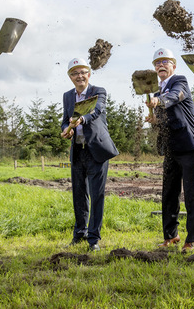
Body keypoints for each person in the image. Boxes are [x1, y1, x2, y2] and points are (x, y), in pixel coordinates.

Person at [145, 48, 194, 252]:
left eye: (165, 61)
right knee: (169, 191)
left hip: (187, 145)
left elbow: (176, 97)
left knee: (190, 192)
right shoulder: (156, 91)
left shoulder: (180, 81)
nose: (161, 65)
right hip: (170, 147)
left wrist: (160, 101)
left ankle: (192, 238)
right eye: (158, 62)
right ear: (154, 68)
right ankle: (171, 235)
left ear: (173, 66)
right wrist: (154, 120)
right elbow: (164, 120)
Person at [61, 57, 119, 252]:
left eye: (83, 72)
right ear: (70, 77)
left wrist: (82, 119)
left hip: (96, 150)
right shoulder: (68, 96)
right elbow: (64, 119)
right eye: (75, 73)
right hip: (77, 150)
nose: (80, 76)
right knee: (79, 194)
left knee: (96, 195)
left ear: (89, 74)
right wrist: (65, 129)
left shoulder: (98, 91)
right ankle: (80, 233)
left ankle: (93, 239)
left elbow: (97, 110)